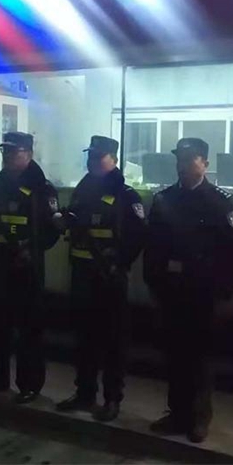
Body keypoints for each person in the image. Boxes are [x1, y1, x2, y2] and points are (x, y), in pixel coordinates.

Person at [143, 137, 233, 443]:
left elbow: (232, 252)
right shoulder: (165, 199)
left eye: (190, 160)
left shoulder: (219, 201)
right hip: (171, 290)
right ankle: (177, 413)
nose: (183, 165)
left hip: (203, 292)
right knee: (174, 355)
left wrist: (224, 291)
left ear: (205, 164)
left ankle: (199, 418)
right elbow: (153, 246)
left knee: (200, 357)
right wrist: (153, 282)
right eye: (180, 160)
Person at [55, 136, 145, 422]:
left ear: (114, 160)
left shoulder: (126, 195)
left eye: (99, 157)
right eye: (90, 156)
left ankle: (112, 399)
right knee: (84, 339)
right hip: (82, 275)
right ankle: (84, 393)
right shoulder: (83, 189)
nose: (92, 161)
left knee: (113, 341)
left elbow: (137, 237)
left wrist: (119, 264)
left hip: (109, 278)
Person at [0, 132, 60, 403]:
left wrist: (30, 249)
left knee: (29, 328)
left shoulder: (42, 189)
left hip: (26, 267)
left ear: (28, 154)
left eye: (13, 152)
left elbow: (51, 231)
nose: (7, 156)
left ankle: (29, 385)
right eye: (4, 152)